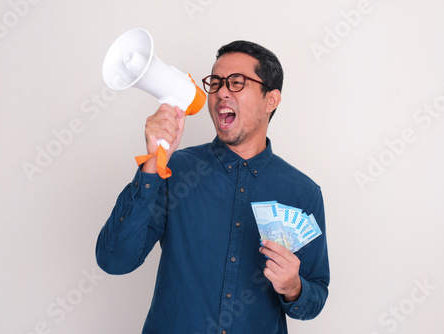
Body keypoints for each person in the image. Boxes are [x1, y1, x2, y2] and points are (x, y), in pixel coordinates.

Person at [96, 40, 330, 334]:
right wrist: (153, 162)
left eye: (236, 83)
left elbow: (315, 296)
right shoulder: (175, 170)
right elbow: (114, 259)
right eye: (216, 82)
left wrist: (294, 288)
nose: (220, 92)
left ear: (271, 99)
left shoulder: (303, 193)